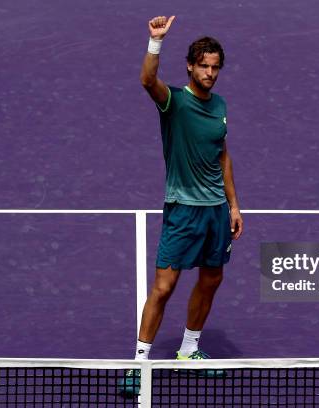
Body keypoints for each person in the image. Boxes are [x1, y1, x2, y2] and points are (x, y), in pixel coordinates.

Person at [118, 15, 243, 396]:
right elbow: (146, 81)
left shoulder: (219, 104)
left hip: (216, 212)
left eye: (215, 67)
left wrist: (235, 207)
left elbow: (222, 155)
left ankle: (188, 351)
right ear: (190, 66)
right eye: (203, 66)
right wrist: (155, 42)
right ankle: (139, 363)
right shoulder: (173, 102)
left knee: (212, 280)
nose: (210, 73)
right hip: (183, 210)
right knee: (164, 286)